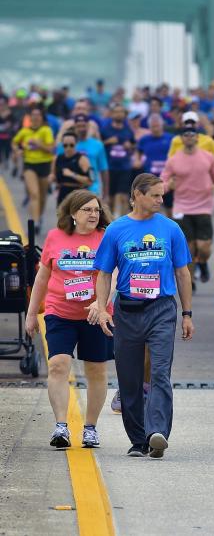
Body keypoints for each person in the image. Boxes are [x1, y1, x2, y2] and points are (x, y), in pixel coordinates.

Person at [93, 174, 193, 459]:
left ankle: (157, 433)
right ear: (137, 194)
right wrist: (101, 308)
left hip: (161, 308)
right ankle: (138, 439)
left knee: (160, 372)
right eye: (156, 196)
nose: (162, 200)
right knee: (130, 378)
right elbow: (102, 274)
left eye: (163, 196)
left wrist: (187, 314)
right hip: (127, 310)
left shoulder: (171, 229)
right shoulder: (116, 230)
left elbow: (183, 273)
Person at [25, 191, 113, 449]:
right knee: (58, 365)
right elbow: (42, 277)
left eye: (96, 210)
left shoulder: (106, 238)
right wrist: (32, 313)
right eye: (86, 210)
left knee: (96, 370)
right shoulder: (55, 237)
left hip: (95, 315)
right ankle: (61, 426)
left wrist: (101, 303)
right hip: (59, 312)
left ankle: (90, 428)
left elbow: (113, 274)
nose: (93, 214)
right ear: (73, 214)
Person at [160, 122, 214, 284]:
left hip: (203, 206)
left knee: (204, 247)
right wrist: (168, 186)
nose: (189, 137)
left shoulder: (207, 156)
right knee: (188, 248)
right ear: (181, 138)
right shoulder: (173, 160)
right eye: (186, 134)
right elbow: (161, 183)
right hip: (181, 206)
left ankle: (202, 263)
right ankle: (190, 281)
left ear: (197, 137)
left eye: (192, 134)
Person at [12, 104, 55, 231]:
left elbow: (51, 149)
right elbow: (14, 142)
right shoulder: (25, 131)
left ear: (42, 118)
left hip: (44, 164)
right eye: (33, 115)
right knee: (34, 194)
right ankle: (35, 222)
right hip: (29, 165)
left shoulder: (46, 131)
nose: (35, 117)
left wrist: (39, 143)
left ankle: (39, 216)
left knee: (42, 196)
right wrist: (17, 150)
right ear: (29, 117)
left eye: (38, 115)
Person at [99, 104, 136, 216]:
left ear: (124, 115)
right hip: (109, 167)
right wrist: (107, 142)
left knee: (123, 197)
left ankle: (123, 222)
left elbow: (134, 146)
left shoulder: (128, 130)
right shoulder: (105, 130)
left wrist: (130, 146)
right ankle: (110, 223)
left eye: (121, 112)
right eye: (116, 111)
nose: (119, 114)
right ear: (112, 114)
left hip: (125, 167)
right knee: (110, 198)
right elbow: (98, 145)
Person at [52, 131, 93, 205]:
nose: (68, 148)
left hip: (78, 193)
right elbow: (53, 175)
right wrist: (52, 178)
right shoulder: (57, 158)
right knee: (62, 216)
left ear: (76, 144)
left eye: (71, 145)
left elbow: (89, 181)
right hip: (62, 193)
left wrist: (72, 174)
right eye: (65, 145)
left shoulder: (82, 159)